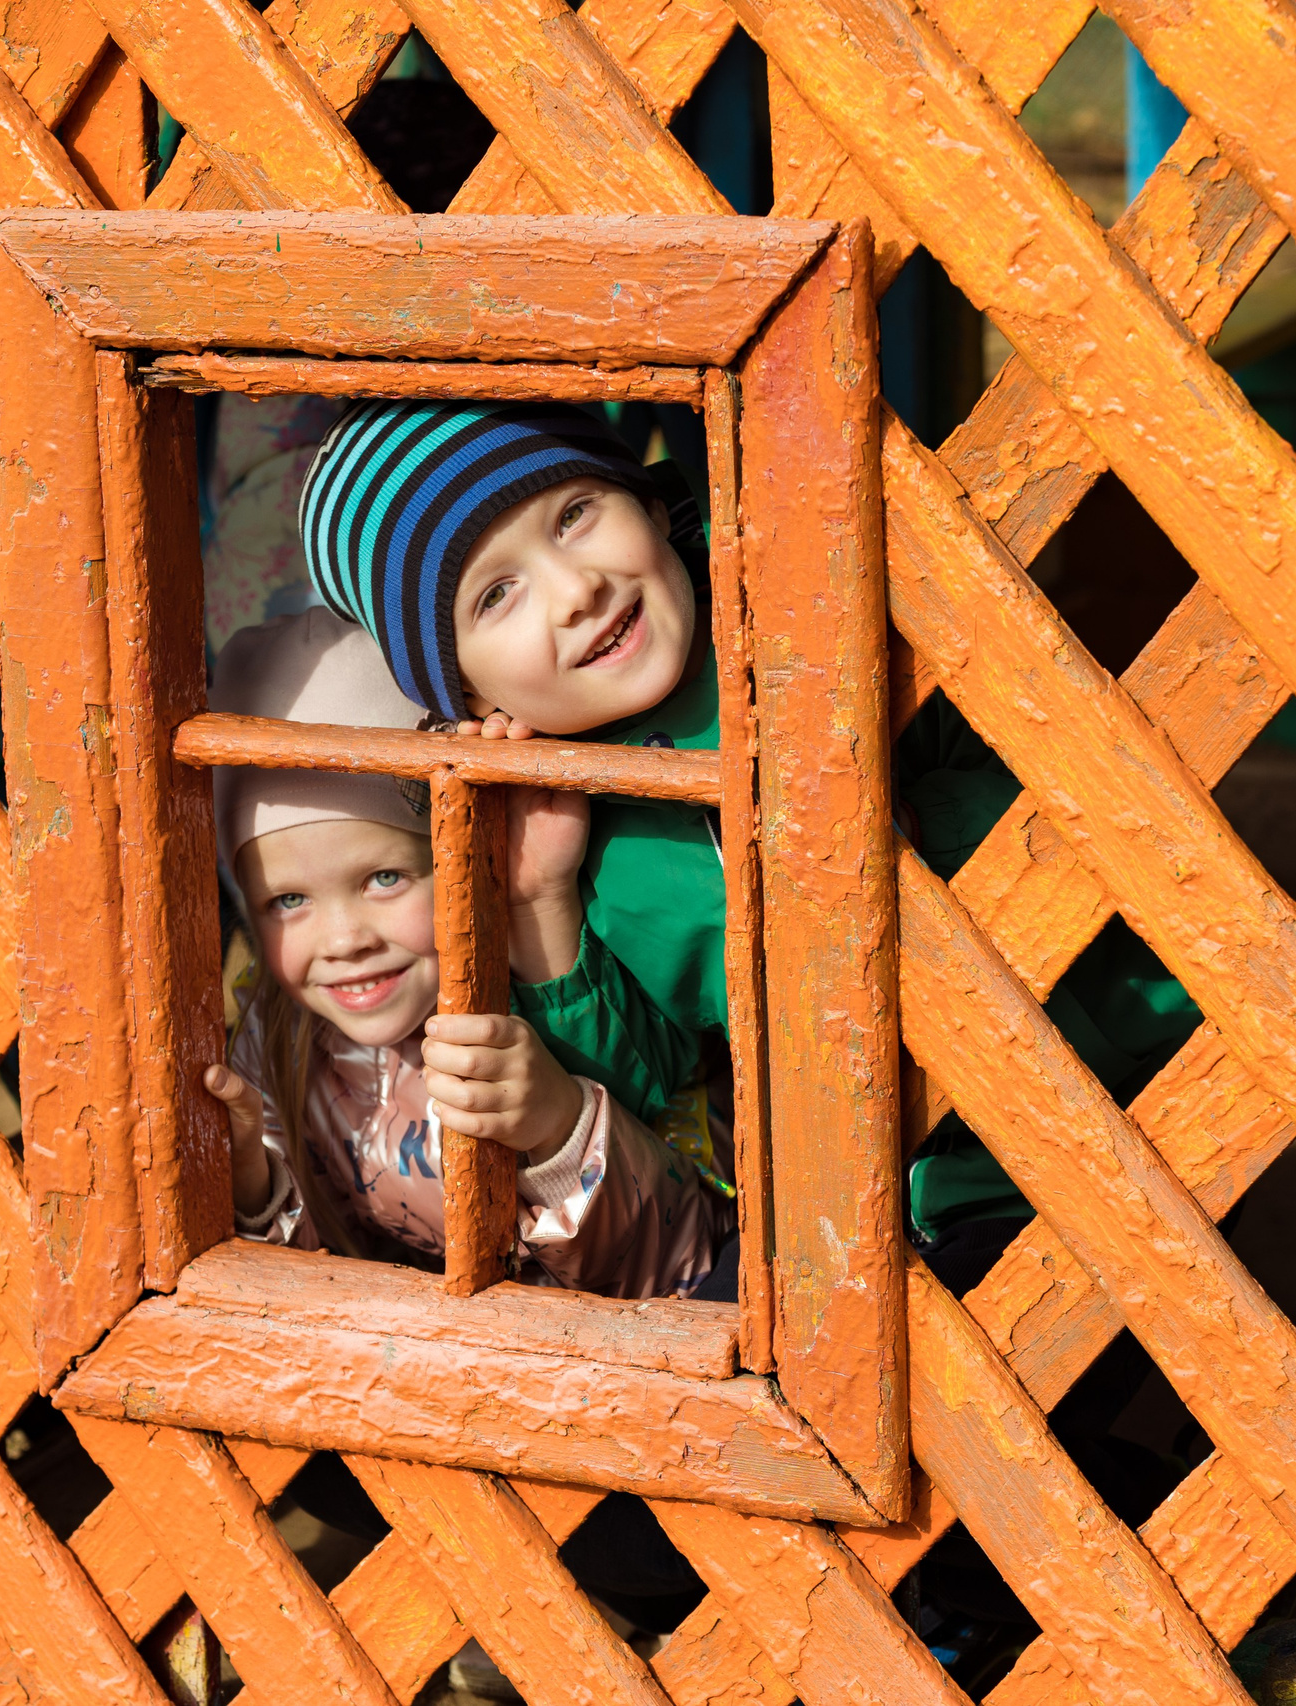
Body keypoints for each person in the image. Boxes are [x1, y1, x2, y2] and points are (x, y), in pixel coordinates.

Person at [298, 399, 1203, 1292]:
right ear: (468, 695)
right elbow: (645, 1081)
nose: (576, 592)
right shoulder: (560, 821)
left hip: (1126, 1084)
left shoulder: (809, 615)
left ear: (650, 505)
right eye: (497, 595)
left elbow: (1054, 776)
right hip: (877, 1190)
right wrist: (542, 900)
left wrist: (883, 838)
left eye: (574, 515)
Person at [199, 607, 734, 1299]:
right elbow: (302, 1296)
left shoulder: (540, 983)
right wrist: (254, 1185)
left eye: (384, 878)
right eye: (288, 900)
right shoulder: (274, 1040)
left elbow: (689, 1264)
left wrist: (557, 1126)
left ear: (454, 853)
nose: (344, 940)